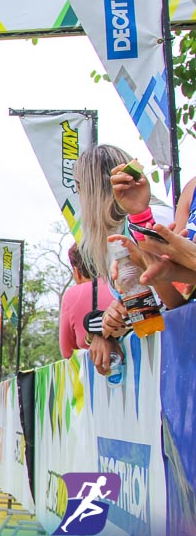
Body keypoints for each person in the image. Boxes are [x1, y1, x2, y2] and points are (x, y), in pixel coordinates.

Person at [75, 144, 185, 375]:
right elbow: (140, 304)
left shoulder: (156, 218)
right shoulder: (107, 240)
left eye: (79, 188)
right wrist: (106, 327)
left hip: (179, 353)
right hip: (161, 362)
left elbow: (178, 295)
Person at [59, 244, 115, 359]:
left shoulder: (71, 295)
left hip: (96, 367)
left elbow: (67, 352)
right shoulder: (118, 282)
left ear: (76, 271)